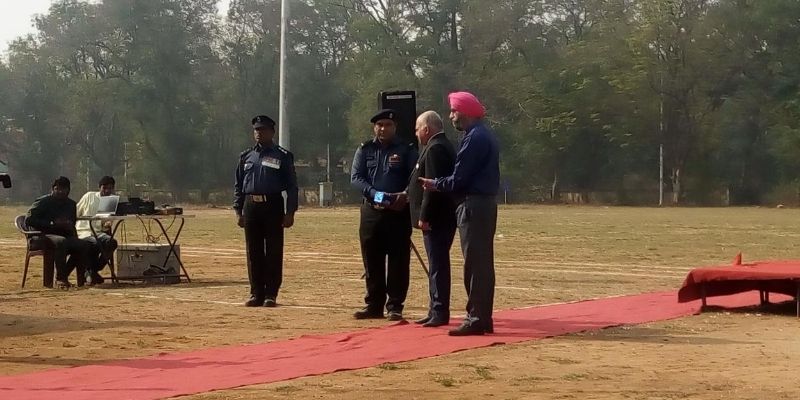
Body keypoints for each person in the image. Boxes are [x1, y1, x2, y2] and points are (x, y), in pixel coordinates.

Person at [419, 91, 500, 336]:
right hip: (484, 204)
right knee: (482, 263)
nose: (451, 116)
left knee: (474, 264)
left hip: (472, 205)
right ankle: (483, 317)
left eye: (454, 111)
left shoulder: (474, 138)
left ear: (464, 112)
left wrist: (435, 184)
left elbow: (459, 178)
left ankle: (476, 318)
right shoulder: (484, 134)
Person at [351, 109, 418, 321]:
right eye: (379, 125)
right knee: (372, 259)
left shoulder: (407, 149)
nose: (383, 128)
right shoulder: (365, 149)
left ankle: (395, 306)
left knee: (398, 260)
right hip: (372, 212)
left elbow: (415, 177)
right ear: (374, 127)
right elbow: (356, 178)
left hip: (398, 213)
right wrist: (376, 195)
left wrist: (405, 195)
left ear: (394, 127)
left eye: (388, 125)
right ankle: (374, 305)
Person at [234, 115, 298, 307]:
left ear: (272, 132)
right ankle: (256, 293)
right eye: (256, 130)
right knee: (253, 251)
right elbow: (238, 185)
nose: (259, 133)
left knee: (273, 250)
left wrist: (290, 212)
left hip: (272, 205)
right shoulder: (246, 156)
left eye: (262, 130)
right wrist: (238, 210)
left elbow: (292, 186)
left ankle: (271, 293)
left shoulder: (282, 155)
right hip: (251, 205)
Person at [407, 111, 457, 328]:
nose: (416, 133)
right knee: (437, 263)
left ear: (426, 129)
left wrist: (425, 216)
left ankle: (439, 310)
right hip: (441, 217)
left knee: (438, 264)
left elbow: (432, 186)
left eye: (417, 129)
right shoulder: (439, 145)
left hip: (437, 218)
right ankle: (434, 308)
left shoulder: (436, 148)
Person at [26, 176, 90, 289]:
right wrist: (51, 223)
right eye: (57, 189)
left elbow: (72, 222)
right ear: (52, 189)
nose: (60, 192)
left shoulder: (71, 204)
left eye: (63, 189)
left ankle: (75, 278)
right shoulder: (43, 202)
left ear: (68, 190)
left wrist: (68, 225)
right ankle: (61, 279)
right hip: (42, 235)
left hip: (63, 234)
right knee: (61, 242)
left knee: (83, 245)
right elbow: (29, 220)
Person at [75, 176, 119, 285]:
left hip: (98, 232)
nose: (107, 191)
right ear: (100, 187)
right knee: (94, 243)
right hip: (83, 231)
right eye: (105, 188)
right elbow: (76, 212)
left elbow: (106, 223)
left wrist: (107, 224)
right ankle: (91, 272)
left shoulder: (111, 201)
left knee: (112, 243)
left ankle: (94, 269)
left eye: (110, 188)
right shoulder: (89, 196)